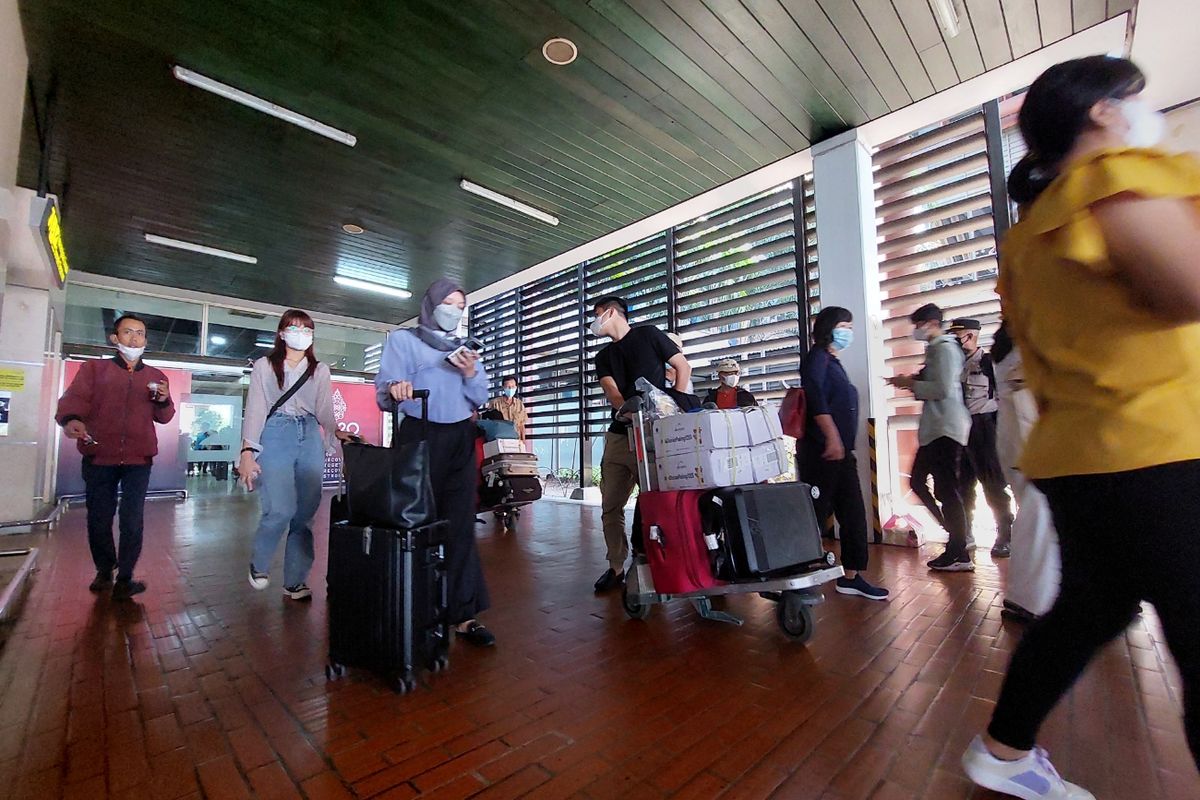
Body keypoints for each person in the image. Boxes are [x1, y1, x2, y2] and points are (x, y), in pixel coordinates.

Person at [961, 55, 1200, 799]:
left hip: (1081, 454)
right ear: (1102, 109)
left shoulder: (1027, 243)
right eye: (1135, 97)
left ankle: (1002, 750)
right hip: (1156, 444)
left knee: (1094, 605)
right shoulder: (1111, 179)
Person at [375, 279, 496, 647]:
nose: (455, 310)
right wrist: (397, 388)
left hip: (460, 437)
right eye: (448, 302)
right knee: (414, 522)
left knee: (460, 524)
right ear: (430, 303)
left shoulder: (465, 350)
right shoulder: (403, 341)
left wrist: (469, 373)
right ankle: (413, 606)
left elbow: (480, 397)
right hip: (420, 433)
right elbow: (385, 393)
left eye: (461, 304)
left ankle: (463, 614)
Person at [56, 313, 175, 599]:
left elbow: (165, 417)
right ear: (115, 338)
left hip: (138, 459)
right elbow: (73, 401)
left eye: (140, 334)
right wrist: (71, 420)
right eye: (128, 333)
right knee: (99, 517)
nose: (135, 339)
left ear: (146, 340)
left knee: (132, 519)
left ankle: (125, 577)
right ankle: (103, 569)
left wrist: (164, 399)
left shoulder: (156, 377)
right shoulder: (94, 370)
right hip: (99, 456)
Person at [241, 310, 350, 601]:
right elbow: (255, 409)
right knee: (280, 509)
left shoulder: (320, 369)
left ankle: (295, 580)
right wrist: (248, 451)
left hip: (309, 434)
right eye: (294, 327)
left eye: (307, 328)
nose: (300, 332)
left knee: (304, 513)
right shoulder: (265, 366)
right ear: (281, 333)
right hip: (276, 432)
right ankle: (259, 563)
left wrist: (335, 432)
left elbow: (325, 409)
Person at [591, 296, 690, 593]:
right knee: (611, 505)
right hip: (620, 436)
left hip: (653, 437)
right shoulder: (603, 356)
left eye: (598, 315)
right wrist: (629, 413)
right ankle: (616, 566)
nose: (595, 323)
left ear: (612, 313)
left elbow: (682, 368)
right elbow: (613, 393)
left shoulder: (649, 335)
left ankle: (653, 562)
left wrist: (670, 411)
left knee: (654, 502)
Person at [799, 307, 889, 601]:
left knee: (853, 513)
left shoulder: (834, 363)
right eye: (843, 326)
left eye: (850, 326)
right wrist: (832, 436)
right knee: (815, 512)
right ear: (828, 328)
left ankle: (851, 576)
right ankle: (797, 573)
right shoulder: (817, 358)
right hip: (822, 451)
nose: (848, 331)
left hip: (841, 453)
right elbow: (815, 398)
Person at [887, 303, 972, 572]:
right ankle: (956, 535)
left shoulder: (945, 349)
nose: (916, 330)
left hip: (946, 429)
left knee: (947, 490)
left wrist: (910, 384)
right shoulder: (936, 349)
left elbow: (942, 388)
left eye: (918, 324)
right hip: (936, 429)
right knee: (920, 482)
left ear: (932, 323)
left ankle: (959, 549)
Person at [990, 322, 1059, 624]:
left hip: (1016, 438)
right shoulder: (1026, 348)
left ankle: (1027, 596)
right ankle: (1030, 599)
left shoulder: (1005, 349)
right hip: (1029, 438)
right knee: (1038, 515)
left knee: (1034, 516)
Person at [947, 318, 1014, 558]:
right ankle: (966, 533)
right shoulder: (953, 364)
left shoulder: (988, 363)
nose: (957, 339)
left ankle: (1005, 535)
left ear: (972, 335)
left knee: (993, 485)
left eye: (961, 334)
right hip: (961, 427)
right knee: (963, 484)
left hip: (984, 427)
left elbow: (1005, 396)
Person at [487, 375, 528, 443]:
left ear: (516, 387)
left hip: (516, 442)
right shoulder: (495, 403)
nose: (510, 389)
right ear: (503, 387)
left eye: (512, 387)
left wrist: (523, 442)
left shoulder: (519, 404)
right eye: (508, 387)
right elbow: (488, 424)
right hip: (499, 442)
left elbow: (522, 426)